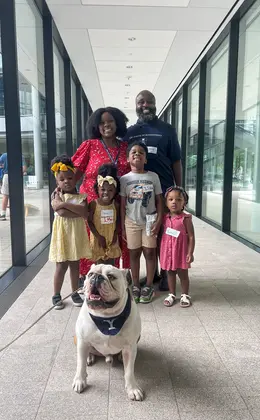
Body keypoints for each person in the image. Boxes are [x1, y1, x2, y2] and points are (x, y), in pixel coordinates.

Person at [124, 90, 183, 291]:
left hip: (164, 192)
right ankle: (153, 273)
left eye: (149, 101)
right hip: (138, 197)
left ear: (155, 104)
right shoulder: (130, 132)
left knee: (165, 235)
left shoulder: (167, 130)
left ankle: (167, 272)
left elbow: (176, 160)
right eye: (141, 101)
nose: (145, 105)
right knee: (147, 236)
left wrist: (179, 188)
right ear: (136, 105)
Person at [72, 107, 130, 279]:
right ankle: (88, 278)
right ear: (96, 126)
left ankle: (117, 277)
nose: (106, 125)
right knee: (92, 241)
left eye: (110, 121)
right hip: (92, 206)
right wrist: (61, 192)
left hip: (117, 205)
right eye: (102, 123)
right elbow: (74, 173)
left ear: (117, 123)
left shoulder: (126, 147)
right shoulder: (89, 145)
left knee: (117, 238)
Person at [120, 141, 163, 304]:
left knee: (150, 252)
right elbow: (123, 204)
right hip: (131, 222)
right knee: (134, 253)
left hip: (150, 221)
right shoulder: (124, 179)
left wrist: (159, 220)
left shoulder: (153, 177)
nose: (137, 154)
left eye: (141, 152)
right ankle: (136, 285)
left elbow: (159, 200)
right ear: (128, 159)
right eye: (133, 152)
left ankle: (149, 285)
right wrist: (122, 226)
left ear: (145, 159)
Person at [49, 154, 91, 310]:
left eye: (69, 178)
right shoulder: (56, 195)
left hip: (76, 234)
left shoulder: (81, 196)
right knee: (61, 265)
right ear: (57, 181)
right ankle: (56, 294)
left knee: (75, 265)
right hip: (63, 234)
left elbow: (85, 213)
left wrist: (64, 204)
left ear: (76, 178)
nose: (66, 181)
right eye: (62, 179)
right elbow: (61, 213)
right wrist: (75, 210)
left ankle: (74, 292)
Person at [160, 186, 195, 308]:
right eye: (170, 199)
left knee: (183, 273)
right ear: (166, 202)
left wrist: (190, 253)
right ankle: (172, 294)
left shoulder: (186, 219)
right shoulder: (164, 217)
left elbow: (191, 236)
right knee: (170, 272)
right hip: (168, 251)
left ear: (184, 202)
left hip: (181, 251)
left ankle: (185, 294)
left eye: (178, 199)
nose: (174, 202)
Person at [88, 164, 121, 264]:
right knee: (98, 265)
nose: (106, 193)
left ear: (115, 191)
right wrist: (98, 237)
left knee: (111, 264)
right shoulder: (94, 204)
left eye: (110, 190)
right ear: (97, 189)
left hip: (112, 238)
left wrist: (115, 234)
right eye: (103, 190)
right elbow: (89, 221)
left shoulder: (115, 205)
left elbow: (118, 220)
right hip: (98, 238)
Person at [0, 152, 27, 221]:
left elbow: (1, 166)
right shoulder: (20, 156)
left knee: (5, 195)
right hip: (16, 176)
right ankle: (15, 214)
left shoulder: (3, 156)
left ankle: (3, 214)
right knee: (16, 196)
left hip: (6, 176)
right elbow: (24, 168)